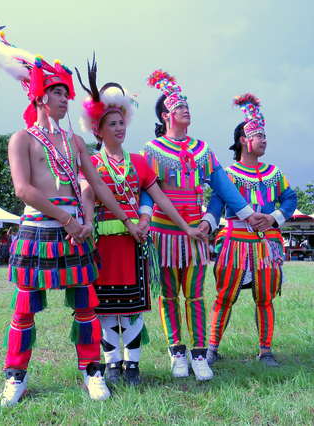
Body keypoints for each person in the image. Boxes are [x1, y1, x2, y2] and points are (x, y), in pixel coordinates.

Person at [0, 24, 143, 406]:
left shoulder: (74, 141)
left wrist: (100, 218)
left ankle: (92, 372)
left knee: (86, 305)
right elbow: (23, 189)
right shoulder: (21, 138)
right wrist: (67, 220)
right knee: (24, 308)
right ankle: (15, 377)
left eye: (65, 92)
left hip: (76, 230)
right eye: (58, 92)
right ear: (41, 97)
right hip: (40, 227)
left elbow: (96, 186)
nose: (64, 99)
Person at [77, 58, 206, 385]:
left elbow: (161, 197)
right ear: (98, 130)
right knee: (106, 309)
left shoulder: (138, 162)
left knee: (132, 306)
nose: (119, 128)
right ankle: (112, 363)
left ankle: (133, 365)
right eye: (112, 124)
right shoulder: (91, 163)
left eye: (122, 122)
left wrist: (185, 226)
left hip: (134, 244)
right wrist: (85, 222)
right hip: (103, 246)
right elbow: (85, 195)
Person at [140, 71, 265, 381]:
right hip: (164, 234)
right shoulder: (152, 151)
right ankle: (176, 351)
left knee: (195, 294)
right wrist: (142, 221)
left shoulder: (202, 150)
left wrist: (217, 219)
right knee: (168, 295)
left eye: (188, 105)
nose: (186, 109)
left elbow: (222, 188)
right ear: (166, 114)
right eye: (180, 105)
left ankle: (198, 354)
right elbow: (145, 191)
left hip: (197, 233)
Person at [203, 93, 297, 367]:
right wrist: (205, 224)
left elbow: (290, 198)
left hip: (266, 243)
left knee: (265, 298)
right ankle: (211, 348)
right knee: (225, 296)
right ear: (244, 140)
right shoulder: (228, 175)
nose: (265, 140)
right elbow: (215, 204)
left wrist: (274, 218)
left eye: (265, 135)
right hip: (234, 242)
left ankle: (265, 351)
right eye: (259, 136)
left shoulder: (274, 173)